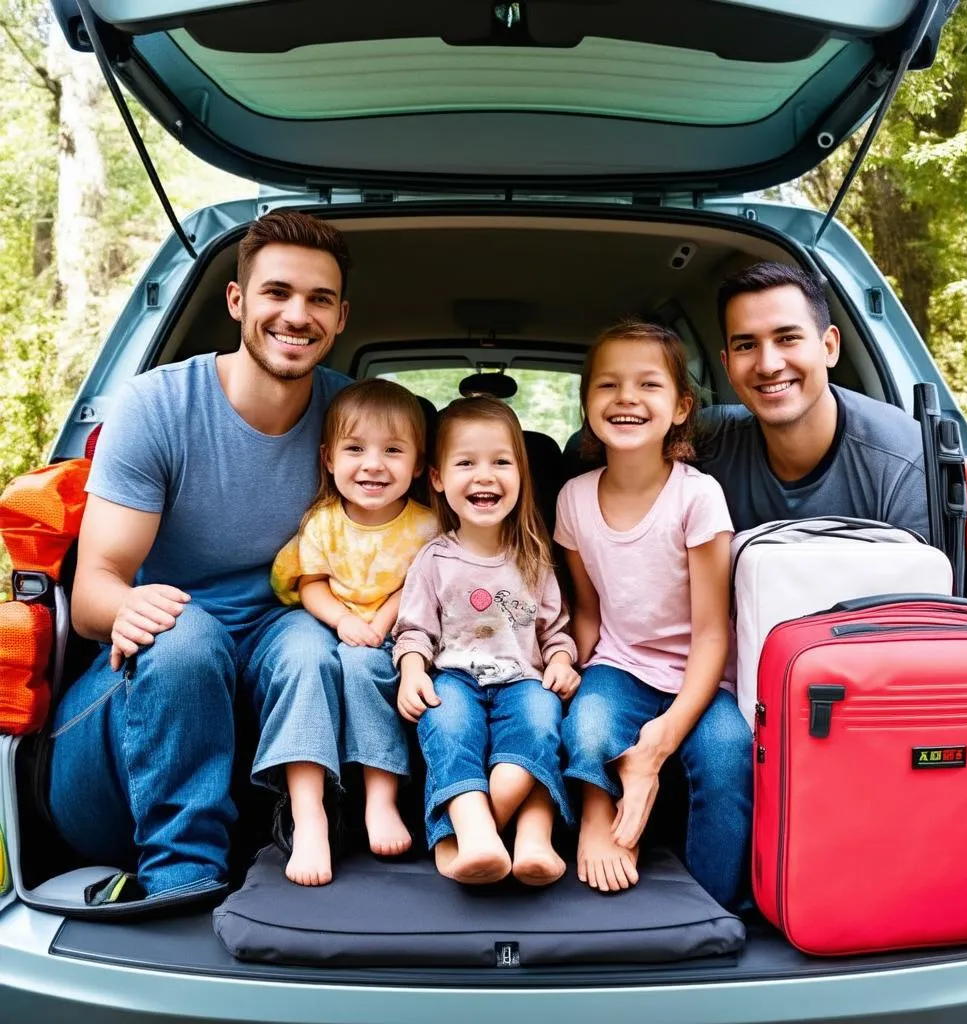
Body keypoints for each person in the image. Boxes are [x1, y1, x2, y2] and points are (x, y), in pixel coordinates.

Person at [48, 210, 353, 901]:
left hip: (284, 638)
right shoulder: (157, 407)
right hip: (130, 719)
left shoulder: (354, 422)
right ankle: (179, 882)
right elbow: (95, 589)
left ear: (340, 319)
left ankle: (317, 846)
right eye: (277, 293)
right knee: (185, 636)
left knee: (315, 642)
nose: (296, 315)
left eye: (319, 300)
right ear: (238, 301)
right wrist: (126, 605)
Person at [555, 320, 751, 907]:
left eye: (648, 385)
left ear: (681, 406)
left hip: (701, 676)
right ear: (587, 401)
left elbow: (714, 631)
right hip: (620, 667)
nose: (626, 399)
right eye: (607, 386)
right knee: (584, 727)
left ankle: (714, 906)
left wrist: (658, 746)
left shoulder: (697, 497)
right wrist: (571, 670)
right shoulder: (573, 499)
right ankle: (599, 823)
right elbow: (589, 615)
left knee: (727, 756)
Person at [393, 396, 579, 887]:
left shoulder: (534, 558)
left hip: (523, 678)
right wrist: (413, 670)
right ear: (436, 478)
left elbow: (554, 630)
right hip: (454, 676)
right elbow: (414, 629)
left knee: (542, 722)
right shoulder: (434, 559)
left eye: (501, 462)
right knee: (447, 723)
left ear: (522, 474)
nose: (484, 476)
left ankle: (532, 841)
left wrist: (561, 660)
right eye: (465, 463)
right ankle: (475, 835)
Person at [269, 379, 437, 884]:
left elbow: (418, 587)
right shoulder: (322, 523)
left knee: (364, 665)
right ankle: (309, 814)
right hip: (327, 618)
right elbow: (311, 585)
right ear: (328, 458)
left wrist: (377, 624)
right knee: (308, 666)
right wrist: (343, 621)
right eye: (355, 449)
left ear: (418, 464)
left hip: (397, 626)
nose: (373, 464)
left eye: (392, 450)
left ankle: (380, 801)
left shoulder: (427, 526)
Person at [699, 261, 930, 539]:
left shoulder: (903, 461)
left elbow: (927, 580)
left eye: (787, 338)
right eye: (746, 346)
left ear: (829, 347)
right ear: (727, 366)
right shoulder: (708, 440)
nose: (768, 365)